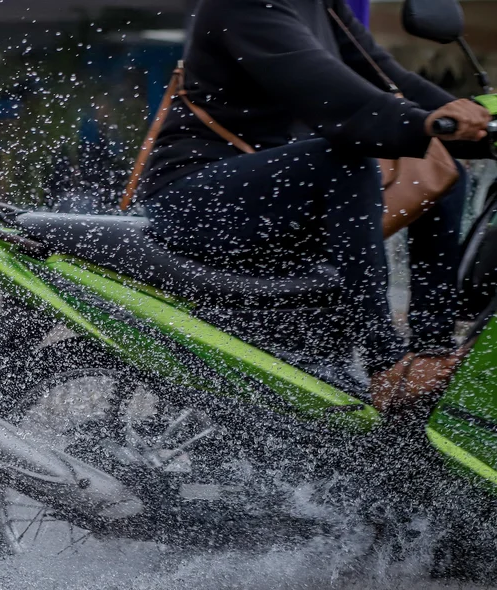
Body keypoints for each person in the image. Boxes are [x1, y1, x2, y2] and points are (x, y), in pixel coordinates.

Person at [136, 0, 493, 414]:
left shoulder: (322, 4)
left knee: (441, 166)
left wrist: (479, 124)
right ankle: (387, 364)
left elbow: (391, 79)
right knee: (343, 159)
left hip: (276, 199)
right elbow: (334, 97)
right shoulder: (240, 7)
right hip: (197, 199)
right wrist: (425, 123)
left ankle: (430, 350)